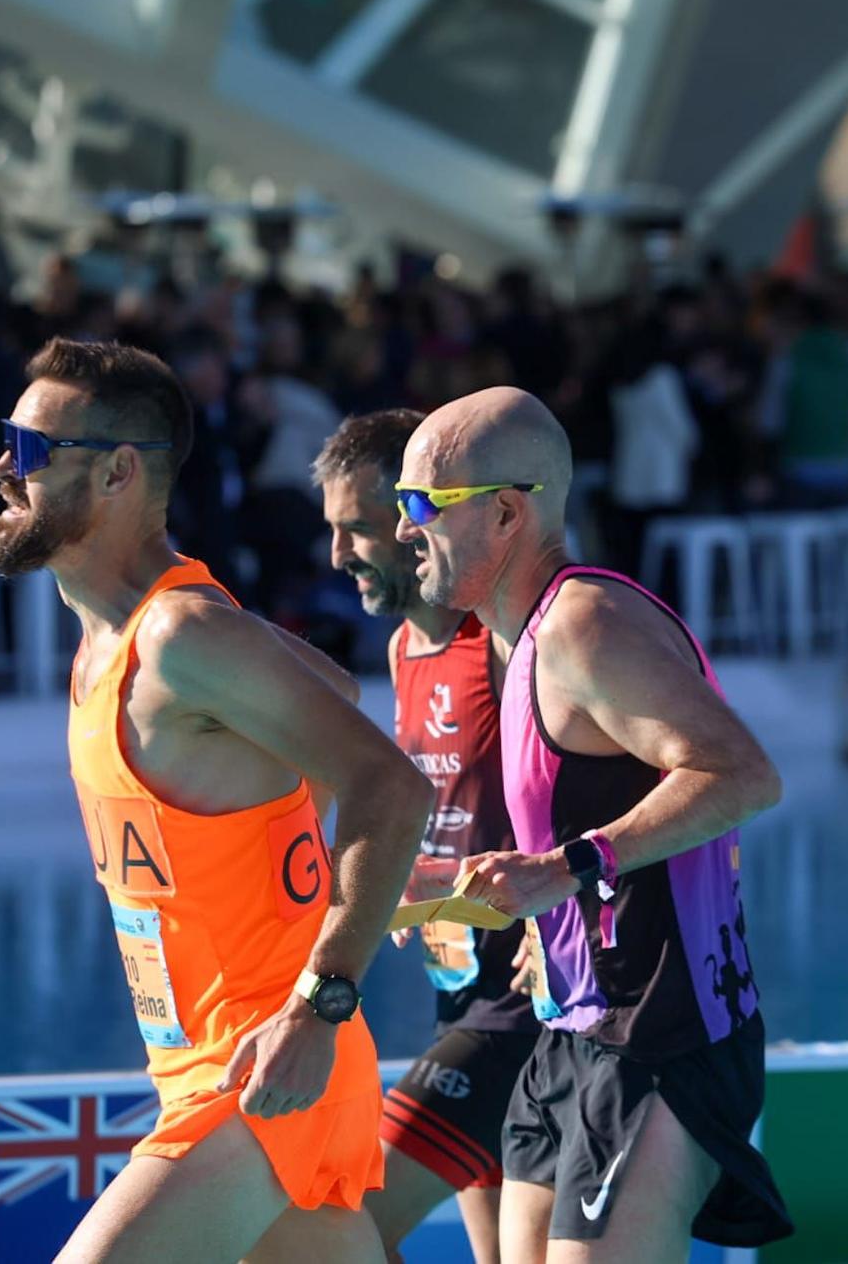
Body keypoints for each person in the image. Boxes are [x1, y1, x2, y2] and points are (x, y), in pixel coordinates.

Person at [0, 338, 432, 1263]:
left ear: (117, 472)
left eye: (30, 452)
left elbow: (388, 785)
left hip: (273, 1068)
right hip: (211, 1072)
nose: (2, 468)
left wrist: (320, 1006)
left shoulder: (182, 637)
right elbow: (336, 699)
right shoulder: (137, 635)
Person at [396, 387, 792, 1262]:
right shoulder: (519, 637)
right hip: (573, 1024)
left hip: (665, 1036)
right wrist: (554, 919)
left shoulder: (585, 624)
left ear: (504, 512)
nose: (401, 531)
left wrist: (570, 867)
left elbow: (743, 774)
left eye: (421, 504)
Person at [312, 410, 536, 1264]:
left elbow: (606, 794)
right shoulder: (407, 648)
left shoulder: (509, 647)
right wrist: (412, 889)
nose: (338, 556)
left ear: (417, 521)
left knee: (345, 1227)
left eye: (356, 529)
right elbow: (453, 808)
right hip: (458, 993)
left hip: (522, 1013)